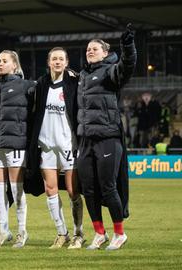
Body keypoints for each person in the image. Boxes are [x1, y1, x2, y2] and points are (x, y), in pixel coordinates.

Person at [76, 24, 136, 250]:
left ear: (105, 53)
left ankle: (119, 233)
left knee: (108, 186)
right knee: (88, 189)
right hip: (86, 140)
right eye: (88, 49)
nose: (90, 51)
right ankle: (99, 233)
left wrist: (128, 46)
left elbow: (127, 65)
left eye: (94, 49)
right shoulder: (82, 75)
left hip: (107, 138)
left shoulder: (111, 72)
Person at [27, 47, 84, 249]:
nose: (57, 62)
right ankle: (62, 233)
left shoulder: (73, 83)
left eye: (61, 59)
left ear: (67, 62)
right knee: (50, 189)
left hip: (68, 144)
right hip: (46, 144)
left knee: (72, 190)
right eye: (54, 59)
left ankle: (79, 233)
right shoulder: (42, 84)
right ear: (49, 62)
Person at [0, 50, 35, 248]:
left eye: (4, 61)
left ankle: (22, 232)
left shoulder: (26, 85)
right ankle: (3, 231)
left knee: (16, 191)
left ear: (14, 64)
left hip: (15, 145)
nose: (0, 64)